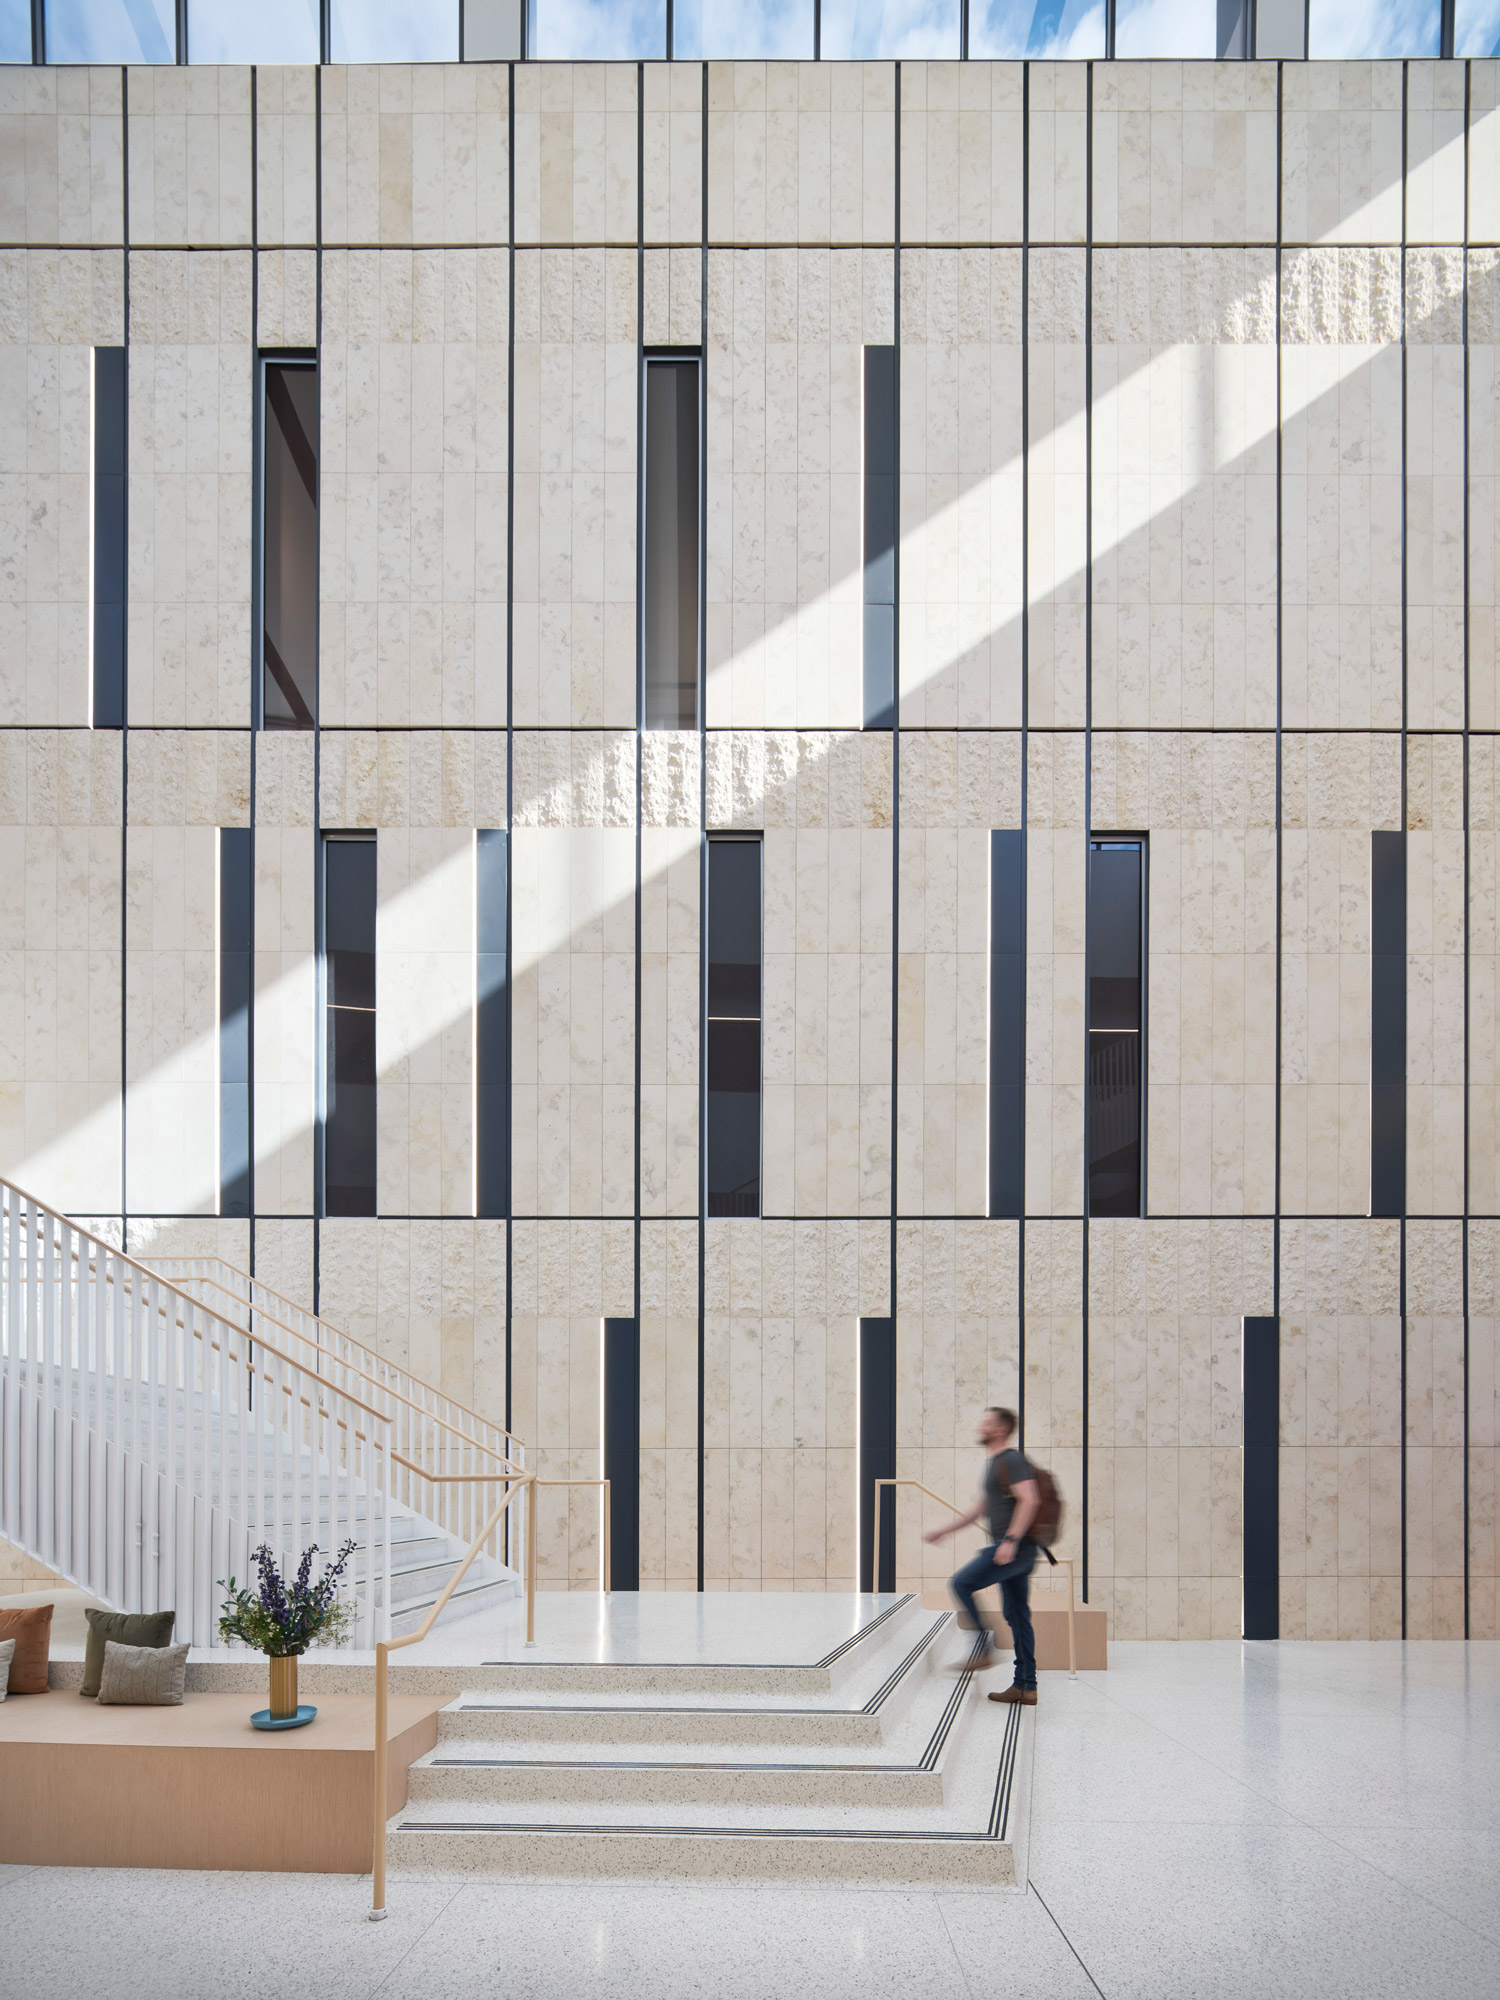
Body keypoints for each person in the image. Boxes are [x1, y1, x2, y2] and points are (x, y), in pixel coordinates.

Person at [923, 1406, 1040, 1706]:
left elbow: (1030, 1499)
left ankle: (983, 1647)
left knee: (961, 1583)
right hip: (1015, 1548)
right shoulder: (996, 1465)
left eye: (986, 1424)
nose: (980, 1427)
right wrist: (945, 1530)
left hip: (1014, 1547)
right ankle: (1026, 1686)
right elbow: (979, 1510)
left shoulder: (1011, 1459)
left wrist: (1011, 1540)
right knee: (1017, 1616)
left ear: (1000, 1429)